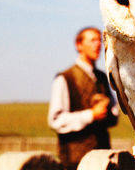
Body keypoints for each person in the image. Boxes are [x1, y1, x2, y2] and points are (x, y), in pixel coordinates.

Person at [48, 27, 119, 170]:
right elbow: (55, 121)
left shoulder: (102, 78)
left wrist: (108, 112)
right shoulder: (65, 78)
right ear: (79, 45)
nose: (98, 44)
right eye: (92, 40)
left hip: (103, 160)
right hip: (75, 163)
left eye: (99, 40)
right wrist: (91, 115)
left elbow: (114, 116)